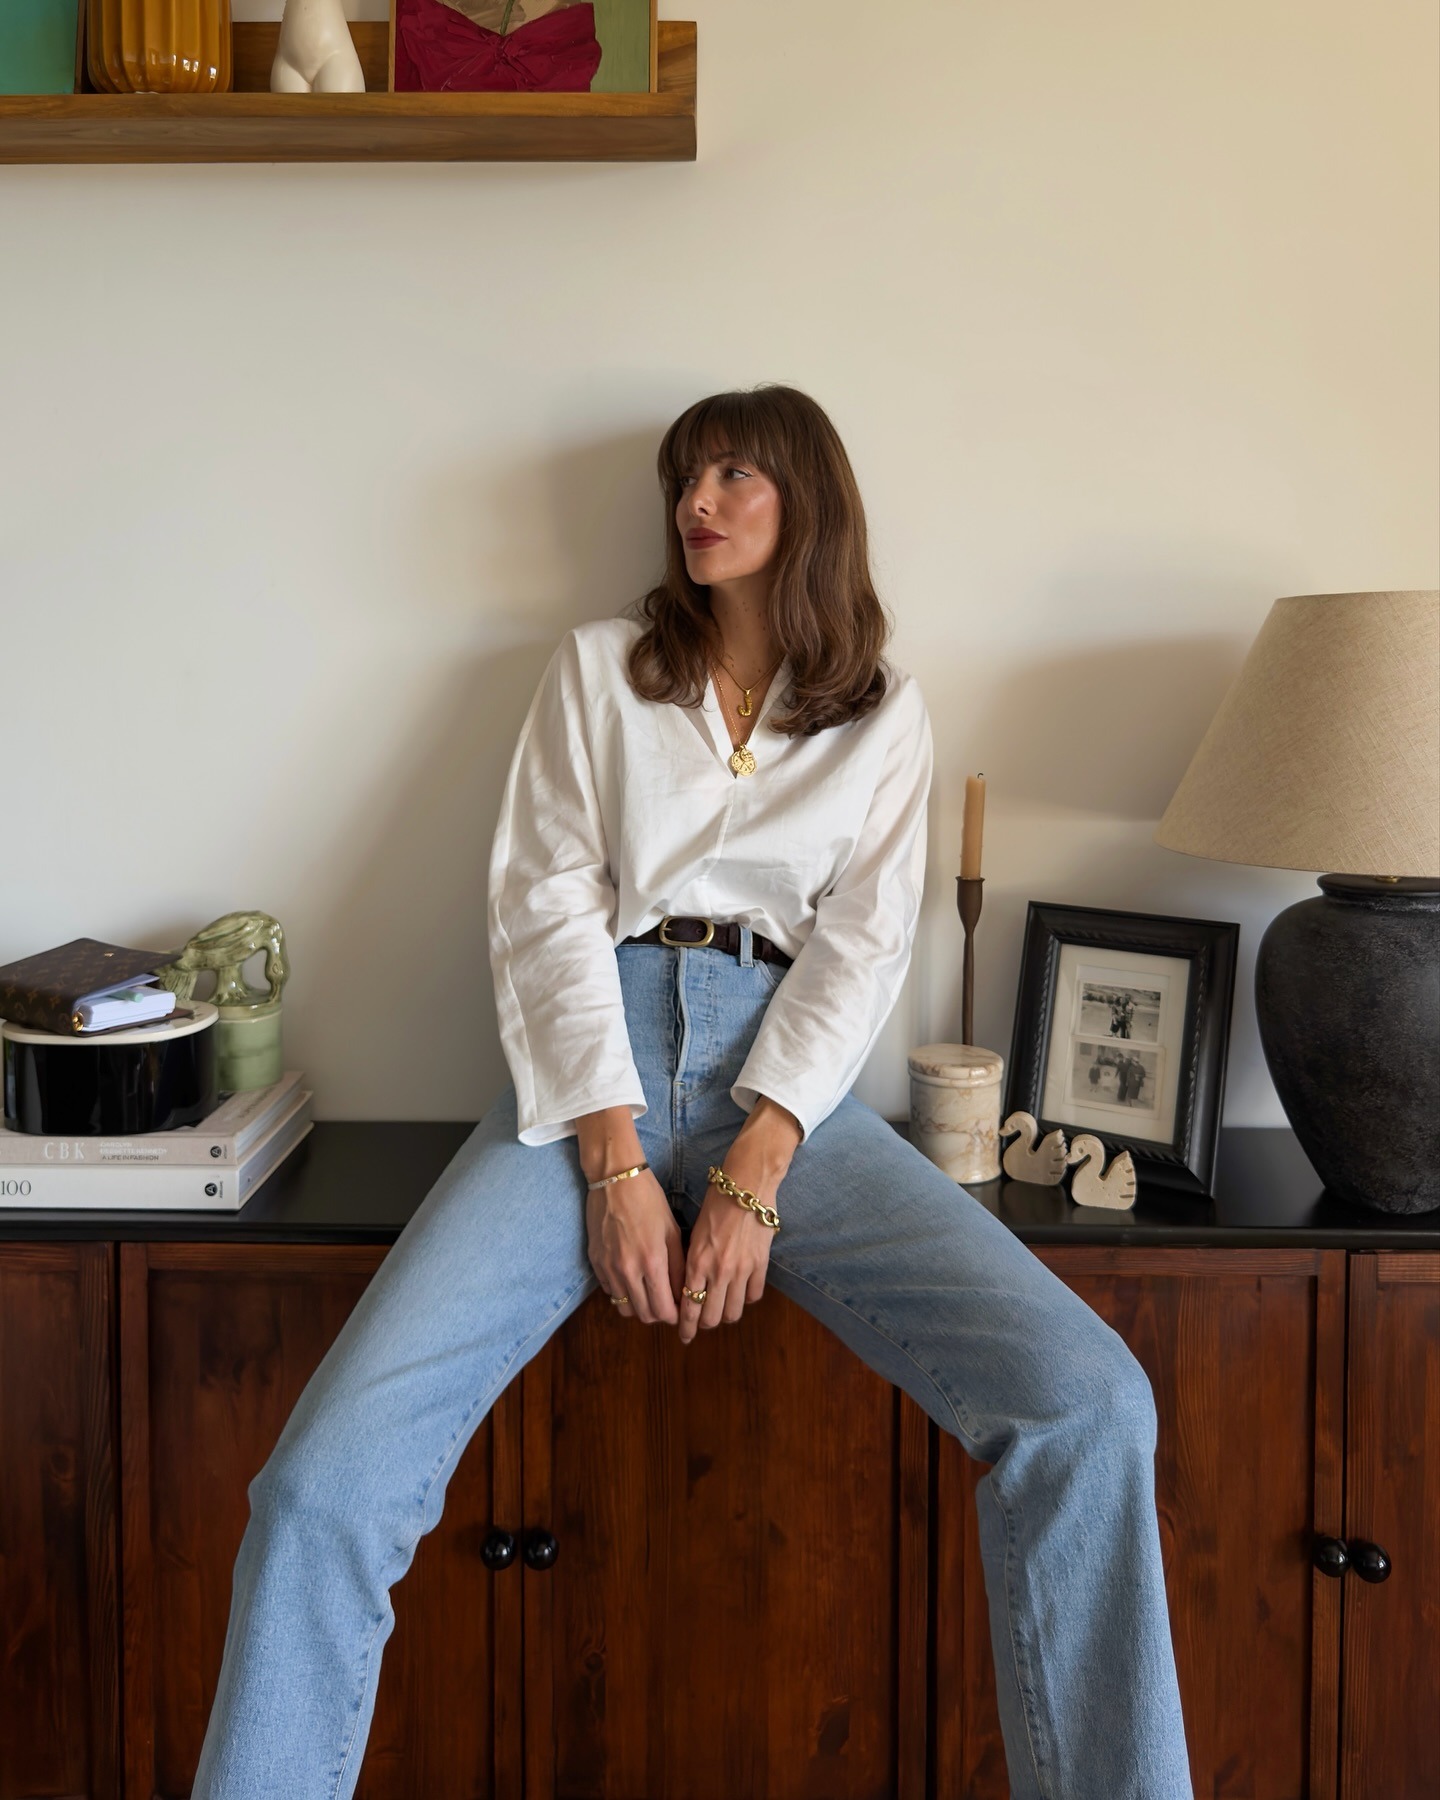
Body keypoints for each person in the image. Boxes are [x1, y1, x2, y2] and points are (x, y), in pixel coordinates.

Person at [190, 383, 1193, 1800]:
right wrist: (611, 1159)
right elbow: (543, 904)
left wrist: (756, 1166)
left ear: (809, 502)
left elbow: (863, 942)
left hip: (789, 1088)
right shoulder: (600, 669)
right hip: (584, 1073)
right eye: (685, 477)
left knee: (1092, 1402)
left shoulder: (884, 715)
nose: (697, 500)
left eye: (734, 474)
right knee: (317, 1489)